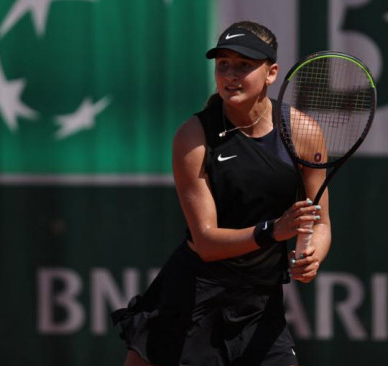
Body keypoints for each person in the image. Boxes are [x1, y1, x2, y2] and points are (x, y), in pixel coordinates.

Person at [112, 20, 332, 366]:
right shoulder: (193, 137)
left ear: (271, 73)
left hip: (261, 302)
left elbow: (320, 223)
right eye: (223, 64)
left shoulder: (302, 132)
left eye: (244, 65)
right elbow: (207, 241)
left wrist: (312, 255)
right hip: (196, 296)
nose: (230, 74)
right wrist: (274, 230)